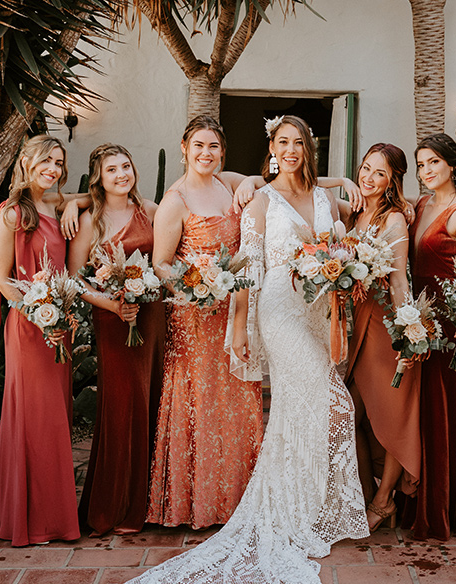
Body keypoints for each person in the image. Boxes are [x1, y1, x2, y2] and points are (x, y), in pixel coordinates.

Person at [130, 115, 367, 584]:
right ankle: (292, 508)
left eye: (299, 142)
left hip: (318, 312)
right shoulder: (258, 200)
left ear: (309, 147)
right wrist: (239, 325)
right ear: (272, 147)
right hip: (278, 312)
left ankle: (304, 505)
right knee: (336, 404)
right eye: (283, 142)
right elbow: (249, 269)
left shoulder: (326, 200)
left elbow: (348, 242)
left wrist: (344, 259)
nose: (292, 149)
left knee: (300, 409)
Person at [146, 115, 264, 528]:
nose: (206, 153)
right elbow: (160, 263)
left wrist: (250, 178)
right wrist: (195, 285)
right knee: (199, 401)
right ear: (184, 147)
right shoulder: (174, 200)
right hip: (193, 314)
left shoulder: (227, 183)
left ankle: (239, 500)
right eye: (198, 145)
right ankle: (197, 503)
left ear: (222, 151)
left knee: (236, 398)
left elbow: (268, 181)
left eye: (213, 146)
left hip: (234, 310)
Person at [0, 134, 80, 547]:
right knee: (34, 418)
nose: (53, 169)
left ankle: (53, 515)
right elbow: (3, 278)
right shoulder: (12, 213)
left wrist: (76, 203)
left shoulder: (57, 204)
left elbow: (91, 197)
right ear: (26, 161)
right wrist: (39, 313)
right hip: (29, 327)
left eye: (59, 163)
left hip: (60, 327)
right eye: (46, 161)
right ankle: (32, 520)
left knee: (56, 417)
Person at [66, 143, 165, 536]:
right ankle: (115, 505)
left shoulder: (152, 211)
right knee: (122, 409)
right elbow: (76, 277)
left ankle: (153, 503)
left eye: (127, 166)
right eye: (112, 170)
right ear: (99, 178)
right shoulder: (91, 220)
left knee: (154, 401)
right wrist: (113, 306)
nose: (122, 174)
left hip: (153, 318)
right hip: (116, 321)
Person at [401, 133, 456, 542]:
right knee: (419, 412)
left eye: (433, 162)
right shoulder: (419, 205)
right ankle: (418, 499)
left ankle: (442, 510)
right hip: (419, 321)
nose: (426, 170)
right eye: (420, 164)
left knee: (440, 413)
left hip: (450, 327)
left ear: (452, 164)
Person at [343, 143, 420, 533]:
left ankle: (384, 499)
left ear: (392, 182)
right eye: (365, 169)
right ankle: (361, 492)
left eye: (379, 174)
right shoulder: (353, 211)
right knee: (349, 414)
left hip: (383, 325)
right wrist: (341, 179)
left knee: (391, 416)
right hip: (355, 323)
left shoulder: (393, 220)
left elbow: (399, 278)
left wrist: (408, 331)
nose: (368, 178)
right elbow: (306, 188)